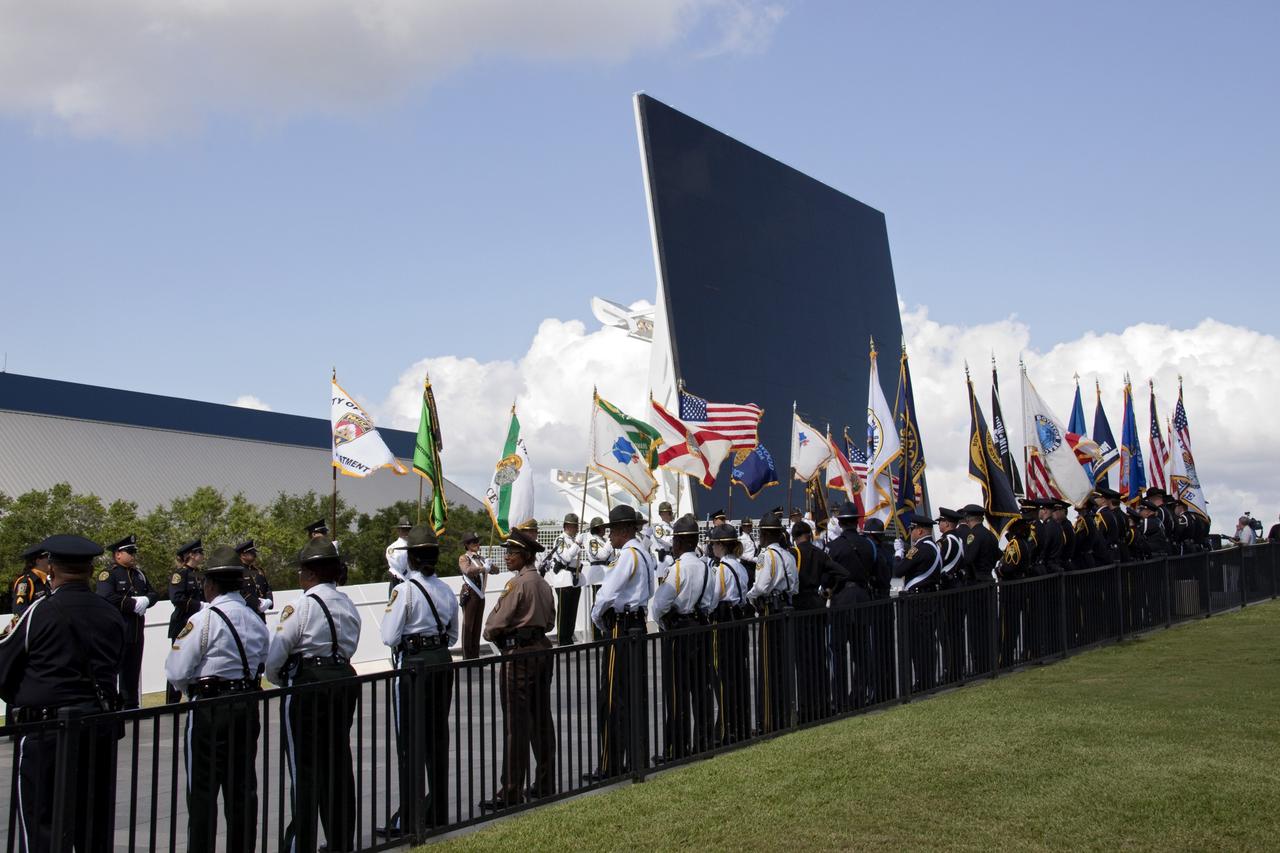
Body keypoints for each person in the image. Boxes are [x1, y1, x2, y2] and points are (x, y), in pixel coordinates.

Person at [0, 534, 125, 853]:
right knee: (93, 824)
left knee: (42, 825)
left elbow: (4, 666)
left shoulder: (40, 612)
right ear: (89, 569)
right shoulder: (109, 612)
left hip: (48, 733)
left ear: (51, 569)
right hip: (98, 728)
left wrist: (23, 699)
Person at [165, 545, 269, 853]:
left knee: (203, 792)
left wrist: (193, 690)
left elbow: (177, 670)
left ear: (210, 585)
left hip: (211, 708)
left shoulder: (204, 619)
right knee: (242, 789)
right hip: (246, 704)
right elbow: (267, 657)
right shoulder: (253, 618)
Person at [266, 537, 361, 853]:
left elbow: (278, 651)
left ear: (309, 574)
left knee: (304, 768)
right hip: (342, 678)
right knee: (337, 764)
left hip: (308, 683)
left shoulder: (302, 604)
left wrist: (280, 679)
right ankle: (340, 841)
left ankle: (300, 843)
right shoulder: (347, 602)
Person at [377, 524, 459, 835]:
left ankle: (410, 817)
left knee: (410, 743)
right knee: (437, 738)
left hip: (413, 663)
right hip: (441, 660)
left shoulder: (405, 590)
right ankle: (437, 810)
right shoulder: (445, 589)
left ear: (410, 559)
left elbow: (388, 635)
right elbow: (452, 634)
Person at [480, 528, 555, 810]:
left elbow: (493, 625)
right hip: (541, 652)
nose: (507, 556)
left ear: (524, 555)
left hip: (519, 657)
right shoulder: (544, 584)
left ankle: (512, 789)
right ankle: (546, 782)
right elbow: (550, 622)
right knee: (541, 720)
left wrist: (496, 633)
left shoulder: (518, 585)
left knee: (516, 724)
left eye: (511, 552)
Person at [587, 505, 655, 779]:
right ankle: (638, 758)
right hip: (637, 623)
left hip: (622, 626)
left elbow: (606, 595)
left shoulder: (627, 555)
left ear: (624, 530)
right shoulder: (644, 554)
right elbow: (649, 590)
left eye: (613, 530)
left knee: (613, 697)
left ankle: (610, 764)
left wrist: (599, 619)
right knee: (635, 694)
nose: (610, 536)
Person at [650, 516, 709, 761]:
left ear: (680, 542)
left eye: (674, 539)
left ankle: (676, 747)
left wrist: (665, 621)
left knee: (677, 691)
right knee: (700, 689)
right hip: (700, 627)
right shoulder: (705, 566)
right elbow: (710, 601)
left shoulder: (677, 568)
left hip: (679, 630)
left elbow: (659, 605)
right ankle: (702, 743)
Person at [748, 512, 797, 732]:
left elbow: (762, 585)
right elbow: (794, 585)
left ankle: (767, 720)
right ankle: (785, 715)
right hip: (787, 607)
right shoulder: (788, 555)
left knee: (767, 668)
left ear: (765, 535)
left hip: (770, 607)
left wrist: (750, 597)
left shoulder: (766, 555)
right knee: (783, 664)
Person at [96, 534, 157, 709]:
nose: (133, 556)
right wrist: (132, 603)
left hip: (136, 630)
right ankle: (113, 705)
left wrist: (146, 600)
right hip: (117, 630)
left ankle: (131, 704)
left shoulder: (139, 574)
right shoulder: (109, 574)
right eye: (129, 552)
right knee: (113, 670)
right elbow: (106, 596)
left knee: (132, 669)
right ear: (118, 555)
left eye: (134, 552)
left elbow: (152, 593)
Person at [705, 522, 751, 746]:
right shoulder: (740, 566)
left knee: (722, 676)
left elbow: (714, 598)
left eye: (714, 543)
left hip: (723, 621)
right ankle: (739, 724)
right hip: (739, 621)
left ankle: (724, 728)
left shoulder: (722, 569)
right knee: (737, 675)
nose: (712, 548)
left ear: (721, 546)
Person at [165, 538, 205, 703]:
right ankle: (172, 701)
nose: (202, 555)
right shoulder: (180, 574)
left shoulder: (199, 575)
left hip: (198, 622)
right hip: (182, 622)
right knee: (178, 660)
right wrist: (200, 605)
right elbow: (177, 598)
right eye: (199, 552)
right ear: (191, 555)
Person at [548, 513, 585, 644]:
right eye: (574, 526)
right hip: (564, 580)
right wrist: (577, 544)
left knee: (572, 612)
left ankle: (568, 637)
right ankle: (562, 639)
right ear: (567, 526)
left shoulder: (573, 540)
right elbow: (566, 557)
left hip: (574, 579)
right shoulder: (560, 540)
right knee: (564, 613)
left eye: (576, 526)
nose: (576, 529)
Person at [457, 532, 493, 659]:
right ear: (467, 545)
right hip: (470, 593)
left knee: (477, 626)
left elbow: (496, 570)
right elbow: (467, 571)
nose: (477, 544)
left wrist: (490, 565)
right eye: (474, 542)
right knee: (468, 626)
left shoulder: (481, 559)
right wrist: (483, 569)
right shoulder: (464, 558)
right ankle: (467, 657)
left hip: (480, 595)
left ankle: (475, 656)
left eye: (478, 542)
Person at [580, 516, 613, 640]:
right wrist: (610, 541)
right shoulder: (593, 541)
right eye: (603, 527)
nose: (605, 530)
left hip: (607, 575)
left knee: (606, 606)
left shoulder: (603, 541)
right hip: (598, 576)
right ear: (598, 528)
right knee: (598, 606)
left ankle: (605, 631)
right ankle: (596, 635)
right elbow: (602, 555)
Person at [11, 543, 51, 617]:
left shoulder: (44, 581)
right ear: (38, 561)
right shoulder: (25, 582)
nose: (50, 561)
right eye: (47, 558)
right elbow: (19, 612)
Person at [237, 539, 273, 621]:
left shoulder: (259, 570)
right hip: (246, 616)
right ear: (243, 555)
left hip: (261, 617)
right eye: (252, 552)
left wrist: (269, 601)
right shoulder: (237, 572)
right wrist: (257, 604)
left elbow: (267, 588)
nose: (255, 555)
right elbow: (239, 592)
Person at [385, 517, 413, 594]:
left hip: (415, 584)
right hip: (399, 584)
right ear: (399, 530)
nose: (407, 532)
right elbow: (399, 569)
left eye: (409, 529)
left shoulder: (416, 546)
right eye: (404, 529)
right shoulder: (393, 548)